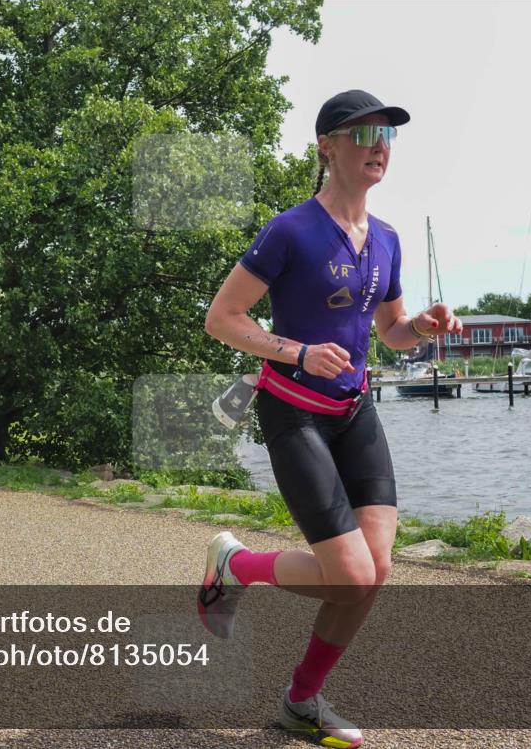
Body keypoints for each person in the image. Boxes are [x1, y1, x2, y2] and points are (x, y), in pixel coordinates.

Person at [198, 90, 462, 746]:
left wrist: (423, 328)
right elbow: (222, 319)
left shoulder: (390, 240)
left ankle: (302, 701)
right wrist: (298, 352)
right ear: (327, 146)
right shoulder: (290, 231)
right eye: (364, 132)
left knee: (375, 572)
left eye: (388, 136)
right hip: (294, 413)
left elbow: (392, 331)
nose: (380, 145)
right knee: (348, 575)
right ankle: (233, 568)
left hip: (355, 412)